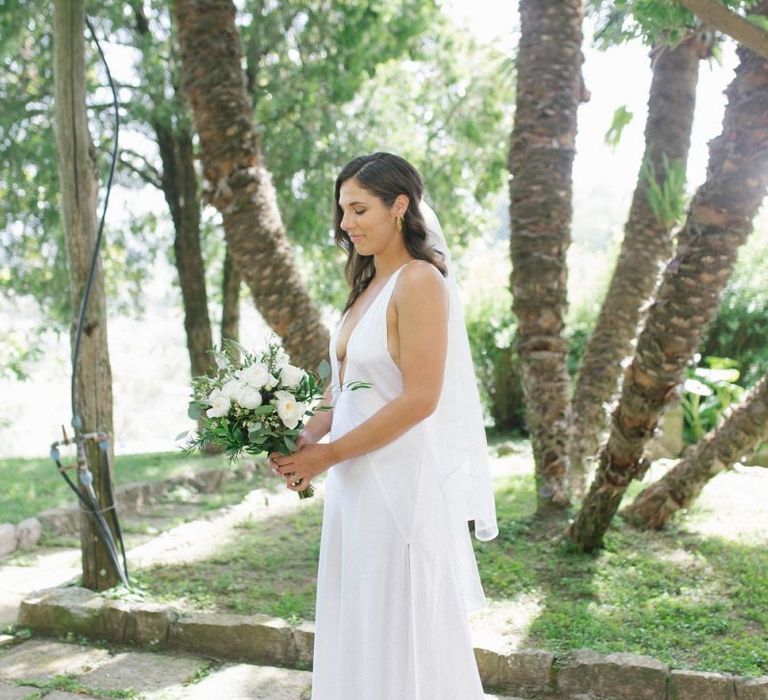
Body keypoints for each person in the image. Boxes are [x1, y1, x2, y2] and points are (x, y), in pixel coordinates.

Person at [270, 152, 498, 699]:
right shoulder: (369, 282)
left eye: (358, 208)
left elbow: (420, 398)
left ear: (399, 206)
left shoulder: (420, 282)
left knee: (401, 620)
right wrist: (306, 438)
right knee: (359, 614)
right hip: (354, 481)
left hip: (398, 482)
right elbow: (344, 387)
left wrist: (328, 455)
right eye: (342, 210)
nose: (346, 223)